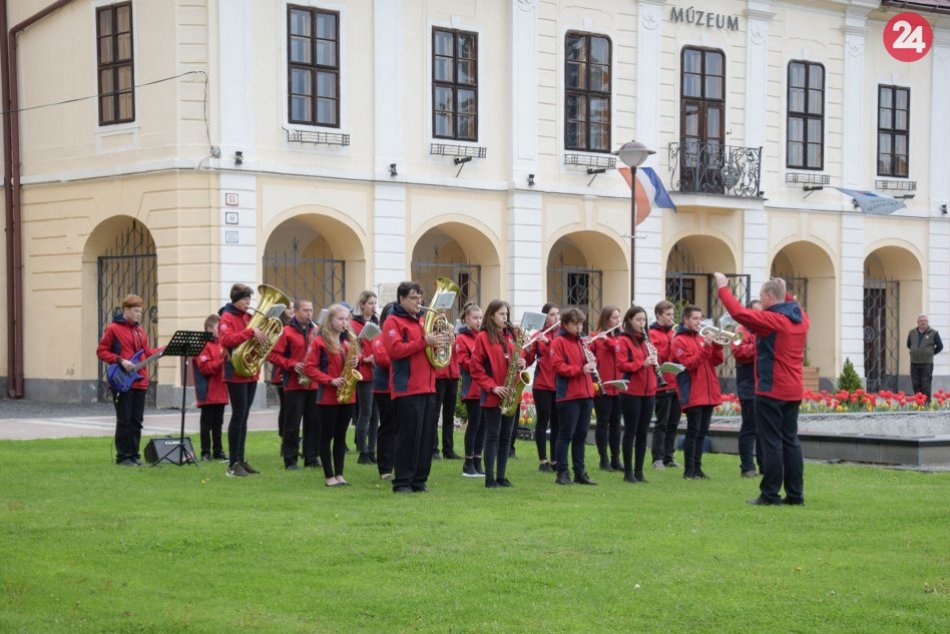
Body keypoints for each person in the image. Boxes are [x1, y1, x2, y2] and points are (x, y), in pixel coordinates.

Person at [714, 273, 810, 506]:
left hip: (772, 389)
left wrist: (723, 288)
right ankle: (795, 495)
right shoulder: (801, 318)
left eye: (761, 296)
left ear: (768, 296)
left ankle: (770, 494)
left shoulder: (773, 320)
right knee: (791, 442)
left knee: (771, 443)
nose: (760, 300)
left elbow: (739, 314)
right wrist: (784, 290)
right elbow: (791, 304)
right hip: (794, 389)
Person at [383, 281, 444, 493]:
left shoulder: (421, 321)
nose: (419, 303)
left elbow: (431, 350)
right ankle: (402, 482)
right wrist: (425, 342)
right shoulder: (392, 321)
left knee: (426, 437)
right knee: (407, 437)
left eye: (420, 298)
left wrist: (445, 341)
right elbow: (396, 351)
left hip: (428, 387)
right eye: (414, 298)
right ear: (401, 298)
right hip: (407, 388)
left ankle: (419, 479)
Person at [96, 293, 162, 466]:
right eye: (136, 311)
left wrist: (164, 349)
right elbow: (101, 351)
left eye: (140, 311)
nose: (139, 314)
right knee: (124, 419)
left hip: (140, 382)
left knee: (136, 421)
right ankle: (123, 456)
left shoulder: (140, 331)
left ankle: (134, 455)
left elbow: (147, 354)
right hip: (122, 381)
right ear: (126, 310)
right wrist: (120, 360)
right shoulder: (113, 329)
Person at [470, 300, 526, 488]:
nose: (505, 318)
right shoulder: (483, 337)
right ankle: (490, 478)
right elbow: (475, 368)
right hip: (493, 393)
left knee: (506, 436)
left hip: (510, 392)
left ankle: (501, 476)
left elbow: (516, 357)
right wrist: (492, 387)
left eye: (507, 314)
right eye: (502, 314)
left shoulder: (510, 336)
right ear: (492, 315)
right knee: (492, 435)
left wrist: (521, 363)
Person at [218, 283, 271, 477]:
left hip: (250, 371)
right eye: (244, 299)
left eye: (249, 299)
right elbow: (226, 340)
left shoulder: (249, 317)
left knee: (245, 416)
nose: (248, 303)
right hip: (235, 371)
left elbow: (258, 339)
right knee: (238, 415)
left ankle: (241, 459)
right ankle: (233, 464)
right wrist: (250, 332)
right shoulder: (227, 317)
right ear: (236, 300)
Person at [304, 303, 357, 487]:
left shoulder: (346, 342)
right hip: (327, 396)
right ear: (330, 320)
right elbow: (309, 368)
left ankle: (340, 474)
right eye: (341, 319)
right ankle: (329, 476)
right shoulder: (319, 342)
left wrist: (354, 360)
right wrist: (329, 380)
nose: (345, 323)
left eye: (346, 319)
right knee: (326, 436)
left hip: (347, 396)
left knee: (341, 436)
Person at [672, 305, 724, 480]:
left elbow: (716, 361)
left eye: (700, 318)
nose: (699, 322)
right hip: (694, 391)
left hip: (708, 391)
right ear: (685, 320)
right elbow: (689, 365)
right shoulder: (678, 340)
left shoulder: (702, 338)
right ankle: (689, 470)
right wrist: (706, 347)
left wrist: (716, 345)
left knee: (702, 432)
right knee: (693, 432)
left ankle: (698, 469)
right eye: (695, 318)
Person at [267, 299, 319, 470]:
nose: (309, 313)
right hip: (294, 384)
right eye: (305, 310)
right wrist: (292, 364)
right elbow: (273, 356)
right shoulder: (286, 331)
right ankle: (290, 460)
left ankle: (311, 458)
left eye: (311, 310)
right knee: (292, 424)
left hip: (313, 383)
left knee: (313, 423)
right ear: (296, 312)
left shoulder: (316, 330)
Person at [551, 307, 598, 486]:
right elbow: (558, 367)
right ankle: (562, 473)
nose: (579, 327)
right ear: (565, 324)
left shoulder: (582, 341)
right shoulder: (558, 342)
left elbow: (587, 365)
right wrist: (581, 369)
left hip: (585, 393)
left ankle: (580, 471)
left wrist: (592, 362)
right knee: (565, 435)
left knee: (581, 435)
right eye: (575, 324)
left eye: (581, 323)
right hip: (568, 396)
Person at [615, 305, 658, 484]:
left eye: (644, 320)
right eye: (639, 320)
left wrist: (655, 360)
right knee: (631, 431)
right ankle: (628, 472)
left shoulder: (646, 341)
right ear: (630, 321)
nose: (642, 323)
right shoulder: (623, 341)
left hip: (649, 391)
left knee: (643, 432)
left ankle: (640, 471)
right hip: (631, 391)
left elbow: (650, 364)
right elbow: (622, 365)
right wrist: (643, 363)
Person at [649, 300, 682, 470]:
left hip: (675, 382)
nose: (671, 318)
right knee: (661, 422)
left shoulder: (673, 332)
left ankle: (669, 455)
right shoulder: (652, 333)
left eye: (672, 314)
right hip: (661, 383)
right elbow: (657, 357)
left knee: (674, 422)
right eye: (668, 315)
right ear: (659, 315)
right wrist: (671, 344)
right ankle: (658, 458)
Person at [591, 305, 624, 472]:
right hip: (602, 387)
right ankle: (603, 459)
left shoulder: (622, 338)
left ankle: (615, 459)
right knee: (602, 424)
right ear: (606, 320)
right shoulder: (595, 338)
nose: (618, 321)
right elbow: (590, 361)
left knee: (616, 424)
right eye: (614, 318)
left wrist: (609, 341)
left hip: (619, 387)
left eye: (619, 317)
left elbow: (621, 353)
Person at [455, 303, 486, 478]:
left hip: (485, 387)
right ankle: (468, 463)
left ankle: (477, 460)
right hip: (472, 387)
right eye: (475, 318)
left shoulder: (483, 336)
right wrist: (480, 362)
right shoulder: (461, 338)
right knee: (474, 424)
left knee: (483, 426)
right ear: (466, 319)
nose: (478, 321)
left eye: (480, 318)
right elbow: (463, 362)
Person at [733, 300, 763, 478]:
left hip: (762, 384)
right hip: (748, 384)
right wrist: (759, 346)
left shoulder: (762, 330)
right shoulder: (739, 331)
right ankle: (747, 466)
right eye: (757, 313)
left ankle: (764, 465)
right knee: (750, 426)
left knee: (763, 429)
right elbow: (739, 353)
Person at [194, 314, 229, 463]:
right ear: (209, 328)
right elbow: (205, 368)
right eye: (218, 328)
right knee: (206, 423)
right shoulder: (202, 344)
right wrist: (223, 360)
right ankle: (205, 451)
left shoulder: (222, 344)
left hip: (221, 389)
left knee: (218, 423)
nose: (221, 331)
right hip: (208, 390)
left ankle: (218, 450)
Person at [529, 303, 560, 472]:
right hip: (542, 385)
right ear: (545, 318)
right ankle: (543, 460)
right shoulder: (539, 335)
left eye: (558, 314)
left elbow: (558, 354)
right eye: (553, 314)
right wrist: (527, 347)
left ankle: (555, 460)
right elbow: (529, 359)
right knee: (543, 421)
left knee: (557, 423)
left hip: (558, 384)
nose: (557, 318)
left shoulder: (561, 337)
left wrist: (548, 342)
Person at [351, 291, 380, 464]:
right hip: (364, 374)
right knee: (365, 413)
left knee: (376, 416)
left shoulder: (376, 322)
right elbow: (353, 351)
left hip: (377, 373)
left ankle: (372, 451)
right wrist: (365, 359)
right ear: (362, 305)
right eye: (370, 303)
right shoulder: (353, 325)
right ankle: (362, 452)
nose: (373, 306)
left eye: (375, 303)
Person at [432, 318, 462, 462]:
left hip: (453, 375)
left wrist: (452, 342)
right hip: (439, 376)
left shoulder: (452, 334)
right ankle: (433, 449)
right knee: (435, 414)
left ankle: (448, 450)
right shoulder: (432, 335)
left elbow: (456, 355)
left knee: (449, 415)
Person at [373, 302, 396, 480]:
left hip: (401, 387)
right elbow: (383, 359)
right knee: (388, 426)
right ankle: (385, 467)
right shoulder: (380, 337)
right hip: (385, 388)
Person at [907, 314, 943, 405]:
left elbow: (940, 346)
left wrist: (930, 353)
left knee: (925, 383)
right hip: (914, 363)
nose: (923, 322)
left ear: (927, 322)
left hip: (927, 363)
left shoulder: (933, 333)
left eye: (925, 321)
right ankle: (918, 403)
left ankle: (927, 403)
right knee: (915, 383)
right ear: (918, 322)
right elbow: (909, 344)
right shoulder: (912, 332)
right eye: (921, 321)